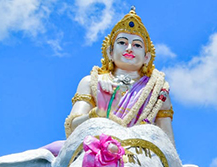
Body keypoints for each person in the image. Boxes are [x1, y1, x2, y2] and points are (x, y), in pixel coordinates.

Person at [64, 7, 175, 144]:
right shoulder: (91, 81)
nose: (129, 48)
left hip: (141, 151)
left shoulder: (156, 91)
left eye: (137, 45)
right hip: (94, 146)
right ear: (110, 52)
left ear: (146, 57)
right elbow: (72, 128)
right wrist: (100, 112)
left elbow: (167, 142)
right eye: (122, 42)